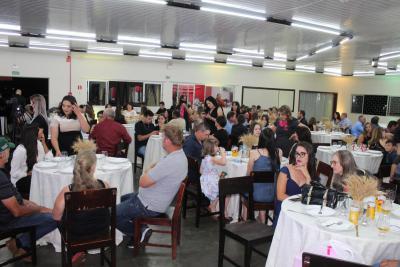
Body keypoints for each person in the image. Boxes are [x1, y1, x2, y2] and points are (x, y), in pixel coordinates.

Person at [116, 125, 188, 247]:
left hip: (149, 205)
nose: (161, 140)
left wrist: (148, 171)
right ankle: (141, 228)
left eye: (163, 137)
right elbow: (156, 169)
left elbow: (142, 182)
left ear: (167, 141)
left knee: (112, 214)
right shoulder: (180, 156)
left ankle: (139, 231)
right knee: (120, 199)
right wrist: (152, 172)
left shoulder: (170, 162)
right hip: (156, 199)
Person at [0, 137, 56, 261]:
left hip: (8, 214)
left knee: (50, 212)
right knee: (57, 217)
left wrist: (31, 204)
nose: (10, 152)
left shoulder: (3, 172)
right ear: (2, 154)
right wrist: (39, 209)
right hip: (8, 220)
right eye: (8, 149)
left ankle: (21, 245)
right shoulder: (1, 177)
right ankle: (19, 243)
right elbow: (17, 211)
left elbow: (15, 198)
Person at [52, 145, 110, 264]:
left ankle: (74, 251)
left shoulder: (67, 190)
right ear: (93, 167)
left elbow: (56, 217)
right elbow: (107, 210)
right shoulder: (105, 185)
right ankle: (78, 252)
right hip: (102, 231)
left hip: (76, 235)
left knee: (61, 217)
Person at [274, 142, 318, 226]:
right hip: (286, 210)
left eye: (302, 154)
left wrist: (308, 178)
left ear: (309, 156)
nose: (298, 157)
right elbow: (280, 196)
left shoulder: (310, 173)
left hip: (302, 211)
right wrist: (299, 202)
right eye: (297, 154)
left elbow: (311, 197)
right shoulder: (285, 170)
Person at [246, 128, 280, 223]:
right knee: (262, 187)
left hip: (257, 195)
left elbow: (248, 175)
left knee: (245, 190)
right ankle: (262, 218)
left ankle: (246, 220)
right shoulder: (278, 153)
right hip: (273, 194)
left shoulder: (254, 153)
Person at [10, 125, 52, 196]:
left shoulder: (38, 144)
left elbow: (50, 159)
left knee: (48, 180)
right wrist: (27, 174)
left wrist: (44, 143)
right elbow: (13, 173)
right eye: (38, 130)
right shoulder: (20, 150)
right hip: (20, 180)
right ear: (33, 134)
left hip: (34, 176)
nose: (42, 131)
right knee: (43, 182)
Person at [200, 138, 226, 213]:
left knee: (222, 176)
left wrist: (212, 173)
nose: (218, 148)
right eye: (216, 146)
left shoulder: (205, 157)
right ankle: (213, 206)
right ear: (211, 148)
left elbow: (200, 171)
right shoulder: (212, 158)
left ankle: (213, 205)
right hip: (211, 182)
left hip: (204, 180)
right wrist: (223, 153)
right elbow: (224, 162)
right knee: (224, 185)